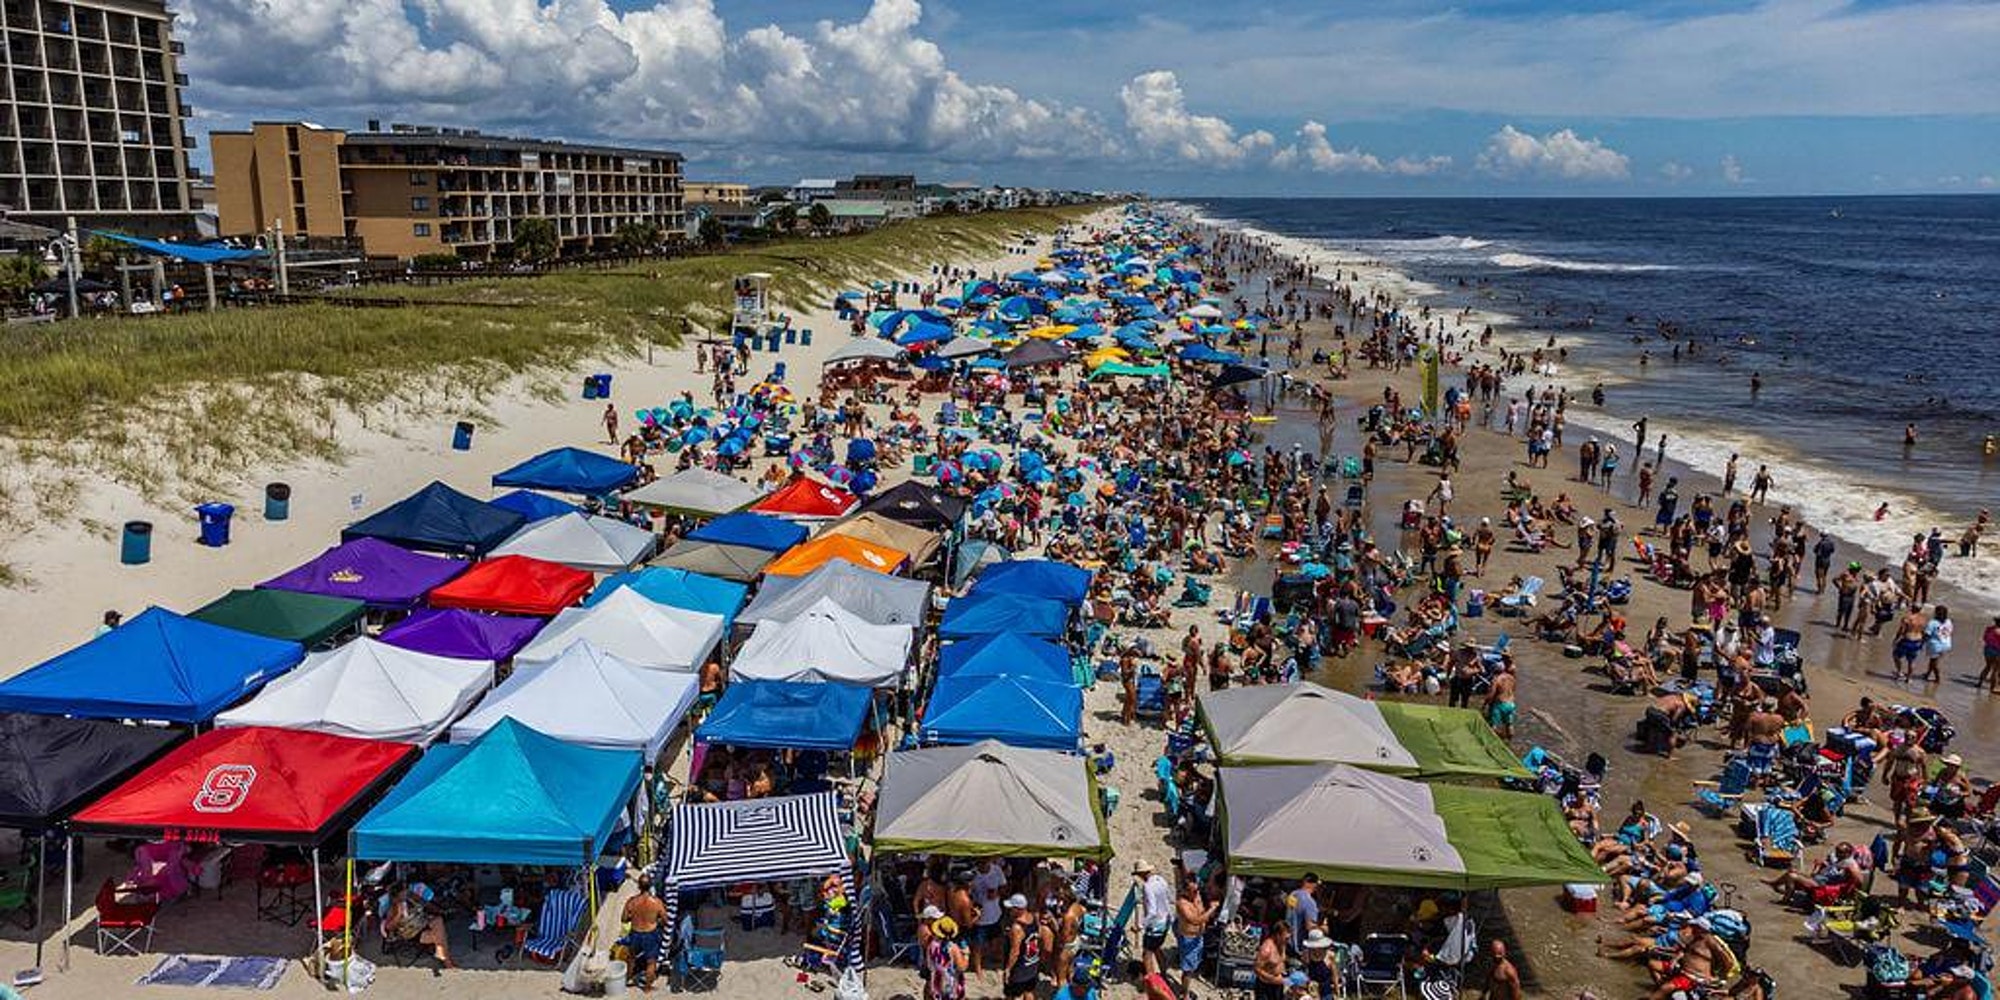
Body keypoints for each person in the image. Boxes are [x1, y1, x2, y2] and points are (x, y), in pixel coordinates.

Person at [386, 883, 455, 970]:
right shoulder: (394, 907)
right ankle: (446, 960)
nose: (406, 892)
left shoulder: (411, 897)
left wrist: (441, 910)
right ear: (397, 895)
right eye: (404, 892)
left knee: (438, 920)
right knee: (441, 937)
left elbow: (426, 904)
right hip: (411, 933)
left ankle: (442, 954)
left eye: (406, 891)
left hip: (423, 924)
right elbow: (389, 927)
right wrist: (399, 915)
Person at [1175, 875, 1219, 994]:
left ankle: (1185, 990)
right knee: (1187, 970)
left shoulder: (1197, 896)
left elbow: (1201, 912)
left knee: (1194, 965)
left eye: (1197, 889)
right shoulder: (1182, 903)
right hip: (1188, 938)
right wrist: (1212, 909)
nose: (1196, 892)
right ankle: (1184, 994)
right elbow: (1194, 920)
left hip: (1199, 937)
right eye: (1193, 891)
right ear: (1185, 891)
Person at [621, 872, 666, 988]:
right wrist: (655, 920)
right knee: (651, 962)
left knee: (631, 958)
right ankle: (647, 988)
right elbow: (665, 920)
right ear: (651, 886)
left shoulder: (631, 901)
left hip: (635, 933)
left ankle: (626, 980)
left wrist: (635, 917)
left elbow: (624, 919)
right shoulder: (657, 902)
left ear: (639, 886)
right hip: (650, 934)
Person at [1002, 893, 1048, 999]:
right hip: (1032, 963)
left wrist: (1008, 969)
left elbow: (1015, 952)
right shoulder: (1034, 917)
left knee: (1010, 995)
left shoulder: (1017, 928)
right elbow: (1040, 935)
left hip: (1019, 968)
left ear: (1019, 909)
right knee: (1029, 991)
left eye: (1012, 908)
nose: (1009, 911)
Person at [1136, 860, 1173, 978]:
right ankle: (1163, 973)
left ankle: (1151, 981)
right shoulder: (1161, 880)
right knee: (1157, 948)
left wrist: (1140, 925)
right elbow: (1168, 899)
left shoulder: (1148, 887)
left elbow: (1152, 911)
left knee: (1147, 954)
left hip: (1155, 925)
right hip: (1165, 921)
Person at [925, 917, 969, 1000]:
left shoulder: (931, 945)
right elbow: (962, 967)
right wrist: (966, 955)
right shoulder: (953, 948)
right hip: (951, 984)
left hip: (936, 982)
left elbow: (929, 965)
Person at [1254, 919, 1291, 1000]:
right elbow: (1257, 969)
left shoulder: (1282, 944)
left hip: (1278, 986)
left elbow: (1280, 961)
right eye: (1286, 938)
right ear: (1278, 935)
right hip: (1265, 987)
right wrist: (1272, 979)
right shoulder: (1266, 949)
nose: (1288, 940)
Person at [1483, 661, 1518, 740]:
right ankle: (1509, 741)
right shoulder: (1511, 677)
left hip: (1500, 704)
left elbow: (1491, 694)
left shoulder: (1496, 679)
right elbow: (1513, 690)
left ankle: (1492, 742)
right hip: (1511, 704)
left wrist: (1485, 704)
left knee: (1494, 726)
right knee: (1509, 724)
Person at [1924, 605, 1954, 682]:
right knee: (1933, 660)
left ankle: (1938, 678)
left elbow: (1927, 634)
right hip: (1946, 644)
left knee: (1935, 663)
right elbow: (1950, 631)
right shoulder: (1948, 621)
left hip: (1935, 645)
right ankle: (1927, 674)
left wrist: (1921, 642)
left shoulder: (1932, 622)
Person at [1978, 615, 2000, 693]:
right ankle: (1993, 688)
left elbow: (1985, 638)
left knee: (1987, 666)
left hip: (1988, 650)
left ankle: (1979, 683)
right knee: (1996, 671)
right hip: (1998, 652)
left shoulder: (1989, 629)